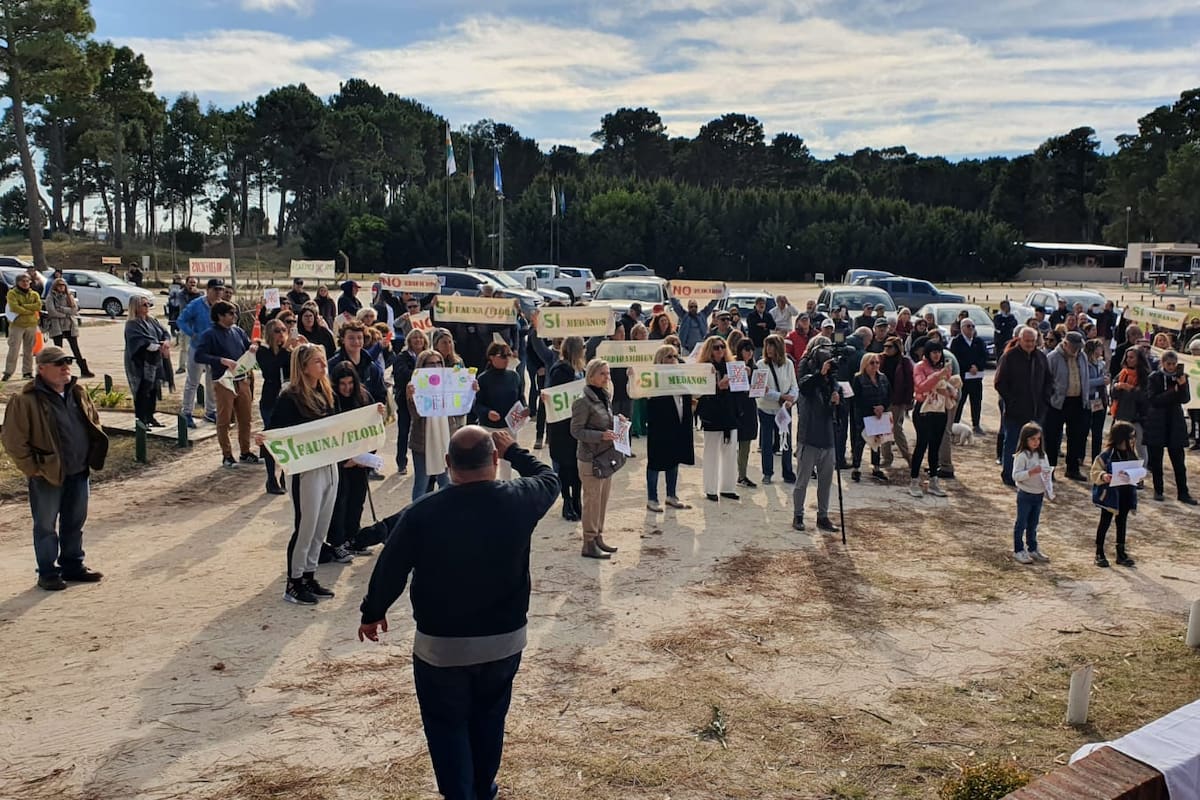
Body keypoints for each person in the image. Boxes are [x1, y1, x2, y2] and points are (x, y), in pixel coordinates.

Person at [357, 426, 557, 800]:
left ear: (448, 463)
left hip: (441, 646)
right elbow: (549, 477)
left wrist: (373, 611)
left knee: (446, 726)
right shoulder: (521, 499)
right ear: (494, 459)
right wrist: (514, 450)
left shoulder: (422, 512)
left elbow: (391, 567)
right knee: (490, 719)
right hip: (504, 641)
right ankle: (483, 789)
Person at [2, 347, 109, 591]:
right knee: (45, 526)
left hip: (79, 470)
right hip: (47, 474)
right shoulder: (25, 400)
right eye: (58, 363)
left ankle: (73, 565)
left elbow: (93, 419)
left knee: (74, 522)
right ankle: (48, 573)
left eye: (67, 361)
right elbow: (13, 440)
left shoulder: (78, 392)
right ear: (42, 369)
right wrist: (32, 469)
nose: (65, 367)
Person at [261, 344, 346, 604]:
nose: (323, 365)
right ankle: (294, 581)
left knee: (321, 525)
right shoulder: (291, 396)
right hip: (305, 468)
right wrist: (266, 441)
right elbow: (275, 430)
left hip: (328, 464)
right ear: (304, 366)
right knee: (306, 525)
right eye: (317, 361)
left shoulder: (325, 392)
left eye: (323, 360)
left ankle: (309, 574)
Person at [194, 300, 258, 468]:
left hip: (242, 379)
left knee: (245, 418)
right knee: (224, 420)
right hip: (223, 382)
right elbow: (199, 355)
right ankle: (227, 455)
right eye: (231, 313)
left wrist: (252, 348)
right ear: (220, 316)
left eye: (235, 313)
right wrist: (221, 360)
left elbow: (247, 346)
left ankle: (245, 451)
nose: (234, 316)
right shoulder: (209, 334)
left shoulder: (238, 331)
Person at [571, 359, 623, 558]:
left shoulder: (604, 395)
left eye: (608, 373)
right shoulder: (582, 401)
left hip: (605, 457)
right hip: (590, 459)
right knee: (592, 501)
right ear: (591, 375)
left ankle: (598, 536)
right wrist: (601, 436)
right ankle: (589, 542)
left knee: (602, 500)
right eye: (602, 373)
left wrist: (617, 421)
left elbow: (604, 421)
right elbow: (576, 431)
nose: (607, 377)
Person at [324, 361, 374, 563]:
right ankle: (337, 542)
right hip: (340, 462)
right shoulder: (330, 401)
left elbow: (373, 428)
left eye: (350, 383)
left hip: (360, 460)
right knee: (339, 502)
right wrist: (346, 459)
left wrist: (366, 456)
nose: (347, 388)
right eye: (342, 384)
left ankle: (353, 537)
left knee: (357, 499)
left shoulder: (363, 397)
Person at [792, 335, 841, 532]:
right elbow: (805, 387)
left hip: (828, 437)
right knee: (802, 481)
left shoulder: (832, 380)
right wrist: (821, 374)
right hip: (809, 436)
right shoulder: (807, 373)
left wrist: (837, 399)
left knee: (826, 482)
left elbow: (838, 409)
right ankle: (798, 515)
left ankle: (823, 516)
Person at [994, 327, 1051, 486]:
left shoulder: (1041, 357)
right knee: (1012, 443)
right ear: (1019, 340)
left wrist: (1045, 400)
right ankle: (1009, 475)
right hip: (1015, 411)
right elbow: (999, 383)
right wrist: (1011, 401)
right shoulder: (1009, 357)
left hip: (1037, 410)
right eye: (1027, 341)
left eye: (1033, 341)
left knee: (1035, 445)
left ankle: (1031, 474)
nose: (1030, 344)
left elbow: (1048, 380)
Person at [407, 349, 465, 502]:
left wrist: (469, 391)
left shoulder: (448, 384)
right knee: (422, 482)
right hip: (422, 442)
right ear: (422, 365)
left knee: (445, 481)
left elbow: (460, 410)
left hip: (445, 438)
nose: (436, 366)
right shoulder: (414, 385)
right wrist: (411, 398)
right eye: (431, 363)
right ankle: (417, 514)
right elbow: (415, 415)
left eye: (439, 363)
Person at [644, 344, 694, 512]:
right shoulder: (652, 378)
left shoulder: (681, 376)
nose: (674, 359)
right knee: (655, 462)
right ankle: (652, 498)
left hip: (677, 424)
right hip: (659, 426)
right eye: (669, 356)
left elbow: (697, 390)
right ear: (660, 359)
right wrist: (632, 375)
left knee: (674, 460)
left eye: (675, 356)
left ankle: (671, 495)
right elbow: (637, 391)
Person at [1145, 350, 1196, 505]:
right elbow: (1153, 399)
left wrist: (1182, 386)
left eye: (1174, 364)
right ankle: (1158, 490)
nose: (1172, 367)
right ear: (1163, 363)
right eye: (1169, 364)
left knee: (1179, 462)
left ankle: (1183, 492)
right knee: (1156, 460)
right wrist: (1172, 392)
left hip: (1175, 421)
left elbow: (1185, 399)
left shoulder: (1181, 377)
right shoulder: (1154, 377)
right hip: (1157, 421)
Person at [473, 341, 527, 480]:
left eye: (508, 355)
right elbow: (476, 404)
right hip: (488, 427)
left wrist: (525, 409)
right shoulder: (483, 378)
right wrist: (487, 412)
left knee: (507, 463)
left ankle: (505, 487)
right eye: (502, 356)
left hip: (510, 426)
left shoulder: (514, 376)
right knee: (487, 461)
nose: (506, 359)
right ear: (491, 357)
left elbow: (520, 397)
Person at [909, 341, 956, 498]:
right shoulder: (919, 367)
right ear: (928, 353)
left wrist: (950, 389)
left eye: (939, 352)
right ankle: (914, 480)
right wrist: (938, 376)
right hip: (924, 410)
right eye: (934, 352)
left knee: (935, 446)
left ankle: (934, 481)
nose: (937, 355)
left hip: (940, 409)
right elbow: (921, 386)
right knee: (922, 444)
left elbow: (946, 386)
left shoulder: (943, 368)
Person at [546, 336, 587, 520]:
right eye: (582, 347)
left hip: (578, 422)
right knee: (565, 465)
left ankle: (577, 499)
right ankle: (567, 501)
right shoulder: (560, 369)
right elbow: (556, 394)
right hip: (562, 425)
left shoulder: (582, 370)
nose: (585, 350)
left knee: (577, 464)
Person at [1090, 421, 1139, 569]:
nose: (1133, 439)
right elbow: (1095, 471)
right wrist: (1103, 476)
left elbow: (1136, 469)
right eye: (1130, 437)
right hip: (1110, 495)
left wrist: (1138, 475)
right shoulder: (1107, 455)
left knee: (1122, 522)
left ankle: (1121, 552)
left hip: (1126, 494)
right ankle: (1099, 552)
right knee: (1105, 522)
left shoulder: (1131, 454)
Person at [695, 336, 738, 502]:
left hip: (729, 414)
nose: (720, 350)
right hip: (712, 414)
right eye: (716, 347)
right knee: (711, 453)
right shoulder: (704, 368)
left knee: (730, 453)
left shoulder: (731, 366)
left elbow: (740, 390)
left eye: (722, 347)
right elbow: (700, 392)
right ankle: (710, 488)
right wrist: (718, 386)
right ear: (709, 350)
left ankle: (728, 487)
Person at [1044, 330, 1090, 481]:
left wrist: (1085, 398)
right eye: (1074, 347)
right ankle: (1049, 470)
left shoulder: (1082, 356)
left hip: (1077, 401)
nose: (1076, 350)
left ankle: (1072, 469)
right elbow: (1047, 381)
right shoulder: (1052, 357)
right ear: (1065, 344)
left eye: (1078, 347)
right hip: (1058, 403)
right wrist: (1052, 398)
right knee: (1052, 438)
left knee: (1076, 437)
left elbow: (1085, 378)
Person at [177, 278, 222, 426]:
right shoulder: (196, 304)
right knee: (193, 381)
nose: (218, 293)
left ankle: (210, 411)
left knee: (212, 381)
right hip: (198, 348)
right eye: (215, 290)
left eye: (221, 290)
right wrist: (192, 333)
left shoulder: (221, 306)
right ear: (208, 290)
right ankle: (187, 412)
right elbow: (181, 320)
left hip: (214, 350)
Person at [256, 320, 293, 495]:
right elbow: (271, 369)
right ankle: (271, 478)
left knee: (288, 438)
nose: (281, 334)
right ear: (270, 333)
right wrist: (284, 348)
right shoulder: (263, 351)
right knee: (271, 438)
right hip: (270, 400)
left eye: (284, 330)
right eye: (277, 330)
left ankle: (286, 474)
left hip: (287, 399)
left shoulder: (289, 351)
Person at [123, 297, 172, 428]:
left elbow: (165, 333)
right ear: (136, 307)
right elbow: (140, 342)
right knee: (142, 391)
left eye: (148, 304)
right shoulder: (132, 324)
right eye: (144, 304)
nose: (147, 306)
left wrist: (166, 342)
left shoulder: (152, 320)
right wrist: (158, 346)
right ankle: (141, 420)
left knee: (153, 389)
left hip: (154, 361)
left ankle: (150, 416)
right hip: (140, 362)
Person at [756, 334, 797, 484]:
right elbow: (762, 390)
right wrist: (781, 396)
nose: (769, 349)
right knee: (767, 442)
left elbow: (794, 386)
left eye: (772, 345)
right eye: (767, 345)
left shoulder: (788, 364)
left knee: (786, 441)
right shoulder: (761, 365)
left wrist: (791, 399)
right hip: (766, 408)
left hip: (783, 409)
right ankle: (767, 472)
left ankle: (788, 472)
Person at [1010, 421, 1051, 565]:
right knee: (1021, 523)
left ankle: (1032, 548)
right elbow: (1016, 476)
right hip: (1025, 494)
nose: (1036, 442)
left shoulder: (1042, 455)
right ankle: (1018, 550)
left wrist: (1048, 486)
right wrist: (1030, 472)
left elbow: (1046, 472)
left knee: (1033, 523)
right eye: (1032, 439)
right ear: (1025, 439)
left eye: (1038, 439)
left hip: (1038, 494)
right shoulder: (1022, 456)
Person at [391, 327, 428, 476]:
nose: (418, 340)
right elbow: (401, 375)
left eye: (420, 337)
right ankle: (401, 462)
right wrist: (423, 376)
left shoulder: (429, 356)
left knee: (425, 431)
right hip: (405, 400)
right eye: (415, 338)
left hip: (425, 400)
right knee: (404, 431)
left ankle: (424, 463)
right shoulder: (402, 357)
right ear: (409, 341)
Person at [850, 352, 891, 483]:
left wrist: (883, 407)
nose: (875, 365)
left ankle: (876, 467)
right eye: (872, 363)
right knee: (860, 441)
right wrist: (872, 408)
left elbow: (889, 395)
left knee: (877, 441)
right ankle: (856, 467)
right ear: (865, 364)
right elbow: (856, 398)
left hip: (879, 415)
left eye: (877, 363)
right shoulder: (858, 378)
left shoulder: (883, 378)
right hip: (863, 414)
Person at [329, 320, 387, 407]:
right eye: (351, 338)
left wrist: (379, 407)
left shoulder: (371, 366)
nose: (356, 341)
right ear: (343, 340)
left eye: (359, 338)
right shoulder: (333, 365)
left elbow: (381, 393)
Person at [44, 277, 94, 378]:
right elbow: (52, 311)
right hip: (57, 325)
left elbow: (74, 309)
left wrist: (62, 309)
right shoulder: (50, 297)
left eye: (63, 285)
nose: (61, 287)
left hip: (69, 325)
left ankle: (84, 370)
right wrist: (64, 314)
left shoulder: (69, 296)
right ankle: (59, 371)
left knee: (76, 349)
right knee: (58, 350)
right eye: (59, 285)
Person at [950, 318, 988, 434]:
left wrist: (977, 366)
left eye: (972, 326)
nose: (971, 328)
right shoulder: (956, 342)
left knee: (976, 401)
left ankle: (976, 424)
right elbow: (955, 358)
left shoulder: (978, 341)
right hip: (962, 378)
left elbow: (984, 356)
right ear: (962, 328)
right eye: (968, 326)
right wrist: (968, 367)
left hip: (976, 378)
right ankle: (954, 424)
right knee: (960, 401)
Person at [879, 336, 913, 467]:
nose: (886, 349)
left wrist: (908, 400)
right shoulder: (880, 359)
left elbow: (909, 382)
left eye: (890, 347)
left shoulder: (904, 362)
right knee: (884, 429)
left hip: (897, 400)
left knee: (897, 429)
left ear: (897, 348)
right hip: (883, 399)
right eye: (885, 346)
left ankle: (908, 456)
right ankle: (886, 457)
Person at [3, 272, 43, 381]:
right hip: (17, 325)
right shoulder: (12, 293)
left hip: (31, 325)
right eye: (22, 281)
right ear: (17, 282)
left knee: (29, 350)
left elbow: (38, 306)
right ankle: (8, 372)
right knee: (14, 350)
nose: (25, 283)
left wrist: (23, 307)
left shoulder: (34, 294)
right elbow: (14, 307)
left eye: (27, 281)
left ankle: (27, 372)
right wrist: (29, 310)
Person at [733, 338, 759, 488]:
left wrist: (760, 388)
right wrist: (743, 375)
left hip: (749, 408)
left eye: (751, 350)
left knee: (746, 444)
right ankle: (730, 475)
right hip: (735, 408)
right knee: (730, 444)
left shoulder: (754, 367)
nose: (749, 353)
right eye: (746, 349)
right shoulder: (733, 364)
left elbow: (755, 391)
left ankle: (742, 475)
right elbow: (735, 388)